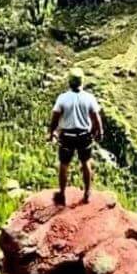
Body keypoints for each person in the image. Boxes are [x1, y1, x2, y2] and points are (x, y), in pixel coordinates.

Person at [48, 67, 102, 205]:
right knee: (86, 162)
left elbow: (55, 118)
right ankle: (87, 192)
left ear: (69, 82)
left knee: (64, 165)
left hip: (67, 136)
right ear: (82, 82)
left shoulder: (62, 98)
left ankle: (62, 194)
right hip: (84, 135)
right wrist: (99, 132)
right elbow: (96, 118)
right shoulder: (89, 98)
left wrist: (51, 132)